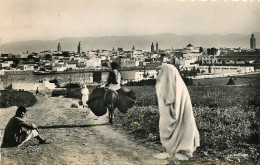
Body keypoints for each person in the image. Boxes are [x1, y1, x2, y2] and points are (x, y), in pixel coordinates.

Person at [155, 64, 200, 161]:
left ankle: (182, 151)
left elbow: (169, 98)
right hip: (169, 112)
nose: (159, 75)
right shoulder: (172, 82)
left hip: (180, 111)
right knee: (165, 126)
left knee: (183, 127)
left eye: (161, 73)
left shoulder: (178, 86)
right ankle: (168, 150)